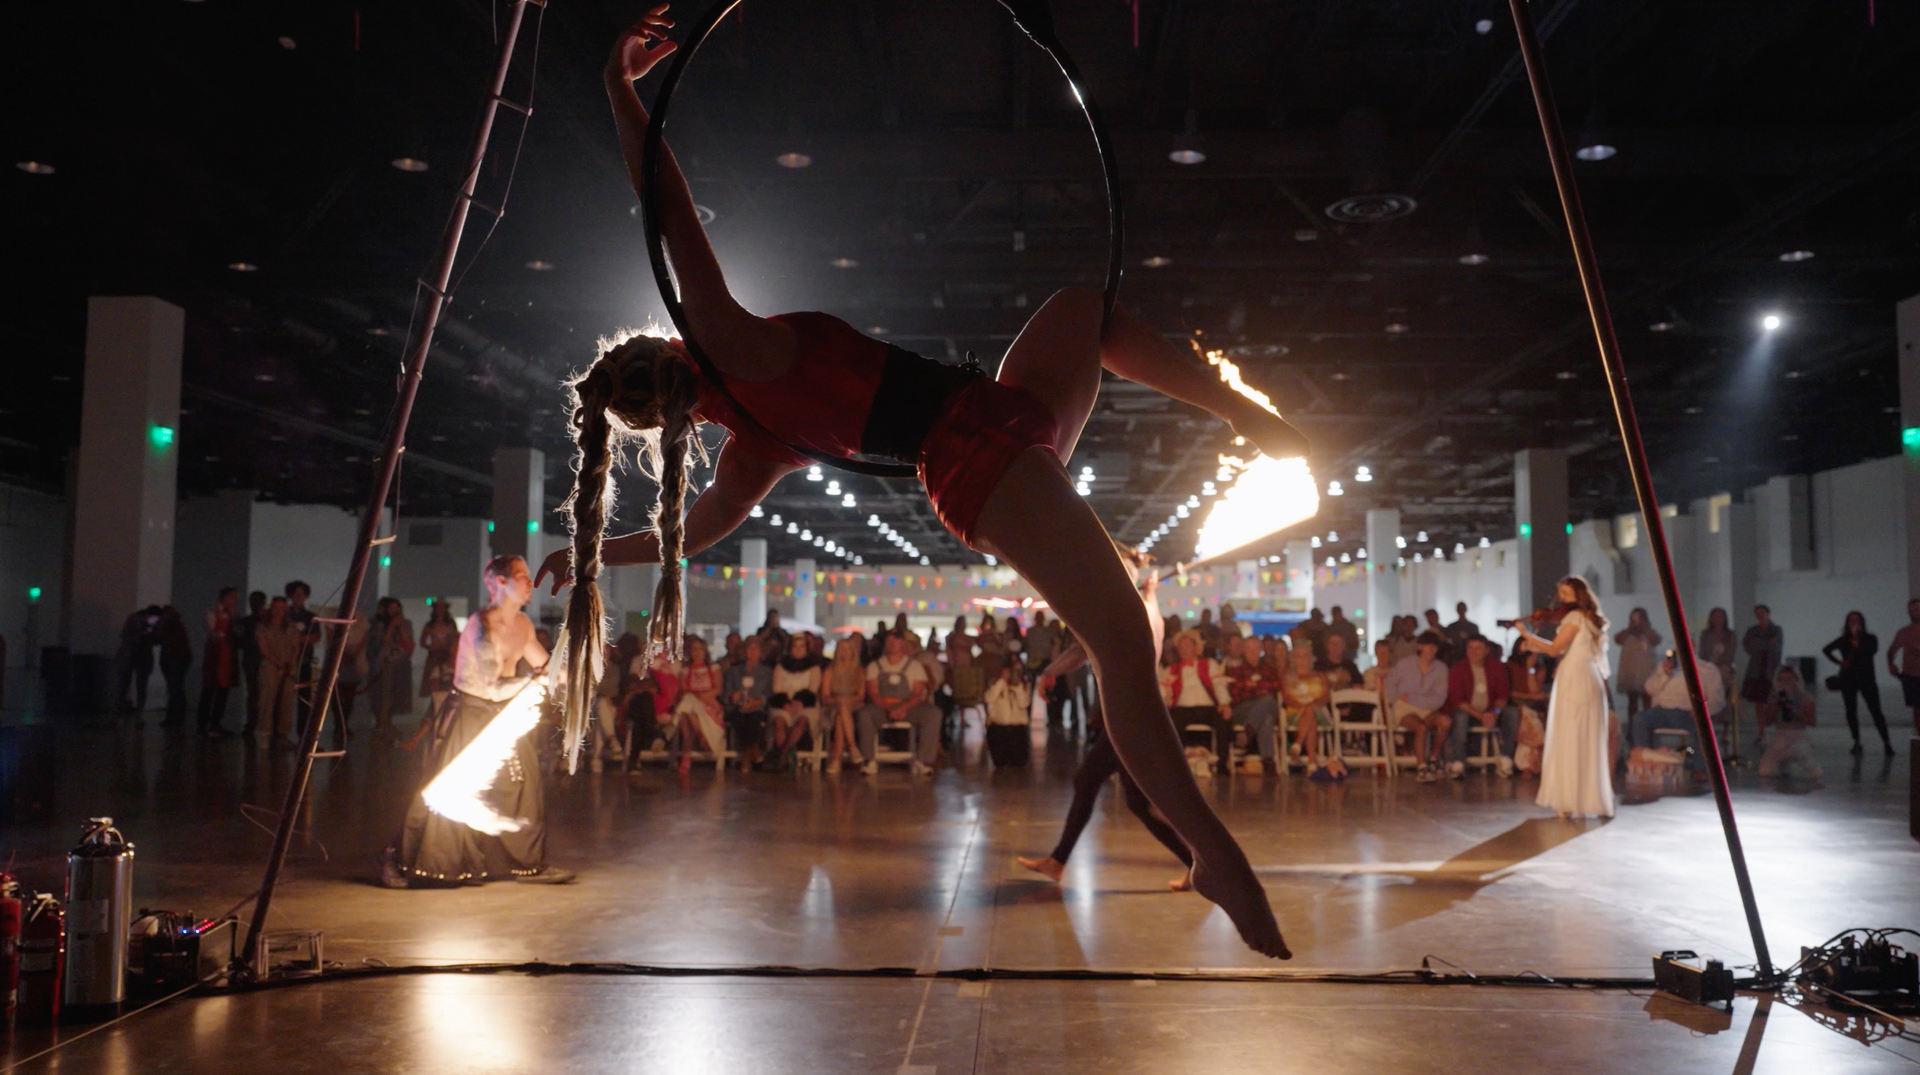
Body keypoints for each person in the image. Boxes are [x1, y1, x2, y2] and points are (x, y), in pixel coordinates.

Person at [539, 9, 1301, 959]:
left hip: (998, 414)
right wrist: (616, 93)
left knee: (1083, 312)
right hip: (976, 453)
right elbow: (667, 210)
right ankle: (1214, 851)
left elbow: (689, 536)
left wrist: (592, 551)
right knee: (1119, 641)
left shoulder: (748, 441)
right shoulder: (729, 347)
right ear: (661, 352)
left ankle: (1240, 414)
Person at [384, 555, 572, 886]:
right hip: (471, 714)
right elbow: (490, 685)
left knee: (525, 784)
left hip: (502, 714)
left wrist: (573, 675)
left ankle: (529, 865)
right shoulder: (479, 624)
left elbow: (545, 666)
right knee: (448, 792)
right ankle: (398, 860)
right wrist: (536, 681)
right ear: (499, 582)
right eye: (522, 576)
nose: (530, 583)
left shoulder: (524, 625)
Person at [1018, 563, 1194, 890]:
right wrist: (1151, 592)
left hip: (1132, 717)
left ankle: (1201, 864)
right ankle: (1197, 865)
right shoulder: (1143, 612)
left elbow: (1080, 651)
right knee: (1135, 802)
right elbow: (1083, 649)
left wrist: (1049, 673)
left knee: (1098, 785)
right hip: (1131, 715)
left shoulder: (1128, 614)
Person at [1518, 577, 1613, 819]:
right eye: (1560, 592)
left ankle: (1570, 801)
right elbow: (1565, 647)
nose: (1562, 598)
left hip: (1575, 680)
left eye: (1567, 593)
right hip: (1585, 678)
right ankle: (1580, 799)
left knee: (1570, 736)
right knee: (1583, 738)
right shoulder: (1588, 619)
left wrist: (1525, 634)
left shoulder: (1574, 617)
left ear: (1578, 595)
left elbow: (1554, 649)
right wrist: (1535, 645)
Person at [1628, 651, 1726, 780]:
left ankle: (1699, 769)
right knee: (1640, 719)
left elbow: (1717, 699)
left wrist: (1702, 710)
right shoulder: (1667, 666)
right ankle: (1644, 761)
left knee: (1702, 729)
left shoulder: (1707, 669)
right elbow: (1649, 688)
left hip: (1689, 713)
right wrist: (1664, 674)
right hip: (1663, 711)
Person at [857, 631, 943, 775]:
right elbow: (873, 693)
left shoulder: (915, 666)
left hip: (908, 707)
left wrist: (902, 708)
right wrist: (888, 708)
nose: (892, 643)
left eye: (896, 640)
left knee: (934, 713)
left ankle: (922, 761)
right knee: (864, 714)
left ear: (903, 643)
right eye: (889, 640)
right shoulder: (875, 666)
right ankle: (869, 760)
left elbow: (917, 694)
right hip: (882, 706)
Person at [1161, 629, 1234, 774]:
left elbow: (1218, 685)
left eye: (1187, 645)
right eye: (1181, 647)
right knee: (1172, 722)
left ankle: (1222, 764)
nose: (1184, 649)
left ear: (1196, 647)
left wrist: (1224, 703)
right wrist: (1167, 698)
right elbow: (1164, 693)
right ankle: (1178, 765)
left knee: (1224, 720)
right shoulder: (1171, 669)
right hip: (1182, 709)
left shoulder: (1209, 663)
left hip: (1207, 708)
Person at [1442, 636, 1515, 778]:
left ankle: (1506, 758)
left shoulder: (1497, 667)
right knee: (1460, 716)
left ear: (1487, 650)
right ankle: (1458, 762)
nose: (1473, 652)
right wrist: (1481, 716)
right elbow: (1457, 700)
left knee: (1512, 713)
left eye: (1478, 648)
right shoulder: (1458, 668)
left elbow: (1502, 696)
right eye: (1470, 648)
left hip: (1491, 711)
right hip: (1468, 712)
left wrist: (1495, 713)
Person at [1823, 611, 1892, 756]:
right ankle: (1856, 741)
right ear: (1847, 623)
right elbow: (1826, 649)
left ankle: (1886, 742)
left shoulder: (1870, 638)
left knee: (1876, 711)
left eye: (1856, 620)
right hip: (1848, 679)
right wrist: (1839, 662)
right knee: (1851, 711)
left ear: (1861, 622)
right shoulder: (1843, 639)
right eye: (1851, 620)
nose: (1854, 623)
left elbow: (1872, 651)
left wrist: (1856, 644)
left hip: (1867, 678)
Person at [1387, 632, 1451, 781]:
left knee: (1445, 722)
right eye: (1427, 646)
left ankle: (1434, 759)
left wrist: (1415, 699)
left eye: (1434, 646)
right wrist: (1396, 700)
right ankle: (1421, 766)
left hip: (1427, 709)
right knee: (1420, 727)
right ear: (1420, 646)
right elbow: (1390, 685)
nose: (1431, 650)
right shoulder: (1404, 664)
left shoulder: (1441, 669)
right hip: (1405, 708)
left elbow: (1440, 697)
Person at [1222, 634, 1281, 775]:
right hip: (1242, 709)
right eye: (1248, 648)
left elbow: (1275, 687)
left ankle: (1248, 736)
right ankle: (1268, 761)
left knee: (1267, 709)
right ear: (1243, 650)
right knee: (1266, 706)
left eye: (1255, 648)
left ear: (1260, 649)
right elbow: (1235, 692)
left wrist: (1252, 686)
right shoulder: (1235, 671)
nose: (1252, 652)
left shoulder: (1270, 669)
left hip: (1265, 705)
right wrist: (1260, 688)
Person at [1755, 666, 1821, 783]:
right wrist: (1774, 706)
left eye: (1789, 679)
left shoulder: (1805, 697)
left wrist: (1795, 710)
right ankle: (1782, 766)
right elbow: (1768, 721)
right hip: (1780, 735)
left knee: (1815, 773)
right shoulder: (1775, 697)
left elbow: (1812, 722)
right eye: (1782, 679)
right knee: (1765, 771)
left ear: (1796, 679)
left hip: (1798, 736)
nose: (1786, 682)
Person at [1281, 641, 1337, 779]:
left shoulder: (1319, 676)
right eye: (1298, 656)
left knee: (1311, 711)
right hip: (1295, 712)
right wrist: (1303, 707)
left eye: (1305, 656)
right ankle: (1311, 762)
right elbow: (1286, 698)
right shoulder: (1288, 676)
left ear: (1311, 658)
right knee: (1311, 719)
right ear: (1293, 658)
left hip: (1318, 711)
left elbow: (1325, 697)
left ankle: (1298, 744)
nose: (1302, 660)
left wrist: (1312, 705)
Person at [671, 637, 726, 774]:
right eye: (694, 649)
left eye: (700, 649)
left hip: (708, 703)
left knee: (686, 712)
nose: (697, 652)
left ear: (705, 651)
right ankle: (700, 736)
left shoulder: (713, 668)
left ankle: (686, 755)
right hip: (691, 703)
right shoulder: (685, 671)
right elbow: (683, 691)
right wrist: (694, 697)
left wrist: (702, 697)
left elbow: (718, 689)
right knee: (687, 709)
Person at [768, 633, 822, 768]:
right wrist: (785, 703)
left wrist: (800, 701)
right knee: (779, 722)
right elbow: (776, 688)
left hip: (806, 704)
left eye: (801, 646)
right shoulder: (781, 667)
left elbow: (813, 689)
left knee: (802, 721)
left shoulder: (814, 667)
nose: (798, 649)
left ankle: (783, 754)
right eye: (795, 646)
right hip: (783, 703)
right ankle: (784, 756)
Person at [254, 597, 300, 750]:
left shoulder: (291, 627)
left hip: (287, 667)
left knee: (286, 700)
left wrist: (289, 663)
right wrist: (277, 662)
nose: (278, 610)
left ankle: (282, 734)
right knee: (267, 699)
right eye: (275, 607)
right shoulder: (263, 627)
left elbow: (295, 647)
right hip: (270, 666)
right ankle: (265, 733)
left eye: (282, 607)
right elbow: (263, 648)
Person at [368, 597, 416, 740]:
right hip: (382, 664)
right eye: (391, 608)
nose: (395, 611)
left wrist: (400, 627)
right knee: (381, 694)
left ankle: (389, 722)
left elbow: (409, 643)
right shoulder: (376, 624)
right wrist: (390, 626)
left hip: (400, 663)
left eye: (397, 608)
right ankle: (380, 722)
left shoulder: (406, 624)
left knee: (396, 693)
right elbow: (381, 642)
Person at [724, 636, 773, 768]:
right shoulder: (734, 671)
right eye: (749, 648)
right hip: (737, 708)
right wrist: (733, 696)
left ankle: (746, 755)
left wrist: (757, 701)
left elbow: (768, 695)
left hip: (757, 708)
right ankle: (753, 750)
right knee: (739, 719)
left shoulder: (766, 672)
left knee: (754, 719)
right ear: (744, 651)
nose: (753, 651)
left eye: (756, 648)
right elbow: (726, 694)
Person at [197, 587, 239, 737]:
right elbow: (212, 632)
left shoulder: (232, 615)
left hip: (227, 657)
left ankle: (216, 723)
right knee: (209, 690)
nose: (234, 601)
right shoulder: (211, 612)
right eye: (232, 597)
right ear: (225, 597)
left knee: (223, 691)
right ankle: (203, 724)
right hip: (215, 655)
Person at [823, 635, 867, 773]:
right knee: (841, 713)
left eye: (848, 649)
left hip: (854, 704)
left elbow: (860, 696)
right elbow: (824, 696)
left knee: (842, 713)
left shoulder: (859, 671)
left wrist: (845, 701)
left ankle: (836, 760)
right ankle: (853, 748)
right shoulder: (830, 671)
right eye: (842, 649)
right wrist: (838, 701)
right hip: (834, 704)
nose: (845, 652)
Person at [1613, 608, 1661, 718]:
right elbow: (1617, 639)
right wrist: (1630, 628)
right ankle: (1632, 730)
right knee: (1632, 704)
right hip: (1632, 675)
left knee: (1647, 703)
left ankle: (1648, 728)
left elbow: (1656, 640)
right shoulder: (1626, 634)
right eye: (1634, 618)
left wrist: (1643, 628)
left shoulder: (1650, 633)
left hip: (1646, 675)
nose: (1636, 621)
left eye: (1639, 618)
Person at [285, 581, 319, 732]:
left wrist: (297, 639)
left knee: (305, 698)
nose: (299, 597)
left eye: (302, 594)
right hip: (285, 661)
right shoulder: (284, 614)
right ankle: (280, 733)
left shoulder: (311, 616)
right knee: (283, 698)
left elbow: (316, 637)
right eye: (296, 593)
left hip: (304, 660)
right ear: (290, 595)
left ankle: (303, 733)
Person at [1739, 605, 1784, 717]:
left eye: (1762, 612)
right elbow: (1748, 646)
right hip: (1756, 668)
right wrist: (1767, 643)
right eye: (1757, 613)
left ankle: (1771, 723)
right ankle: (1761, 728)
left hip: (1770, 667)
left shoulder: (1776, 629)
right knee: (1758, 701)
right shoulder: (1752, 630)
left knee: (1772, 698)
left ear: (1768, 613)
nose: (1760, 615)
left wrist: (1758, 643)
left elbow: (1774, 648)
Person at [234, 592, 267, 738]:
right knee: (254, 694)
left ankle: (256, 724)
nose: (254, 604)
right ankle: (253, 724)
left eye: (256, 601)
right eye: (252, 601)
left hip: (261, 661)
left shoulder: (254, 621)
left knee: (258, 694)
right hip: (252, 661)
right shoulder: (247, 621)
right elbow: (238, 643)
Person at [418, 601, 459, 715]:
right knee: (434, 681)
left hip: (447, 656)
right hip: (434, 657)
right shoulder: (430, 625)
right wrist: (431, 647)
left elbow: (455, 637)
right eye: (437, 608)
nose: (439, 610)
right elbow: (422, 641)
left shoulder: (450, 624)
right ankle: (433, 709)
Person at [155, 607, 194, 727]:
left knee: (174, 689)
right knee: (176, 688)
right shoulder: (177, 626)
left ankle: (174, 718)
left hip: (174, 658)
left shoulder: (171, 626)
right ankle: (176, 717)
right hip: (178, 658)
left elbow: (161, 640)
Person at [116, 607, 158, 715]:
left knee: (125, 686)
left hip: (132, 656)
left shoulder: (133, 620)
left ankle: (120, 714)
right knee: (139, 687)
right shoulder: (139, 623)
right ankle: (137, 714)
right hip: (138, 656)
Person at [1888, 599, 1920, 734]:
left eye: (1917, 609)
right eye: (1912, 610)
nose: (1914, 612)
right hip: (1911, 675)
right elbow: (1892, 650)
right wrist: (1891, 664)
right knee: (1917, 709)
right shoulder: (1904, 632)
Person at [1698, 608, 1738, 709]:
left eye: (1720, 616)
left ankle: (1724, 715)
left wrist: (1719, 663)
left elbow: (1730, 654)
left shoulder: (1730, 635)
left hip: (1723, 667)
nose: (1718, 619)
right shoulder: (1706, 634)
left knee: (1722, 686)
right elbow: (1702, 652)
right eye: (1715, 616)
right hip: (1708, 667)